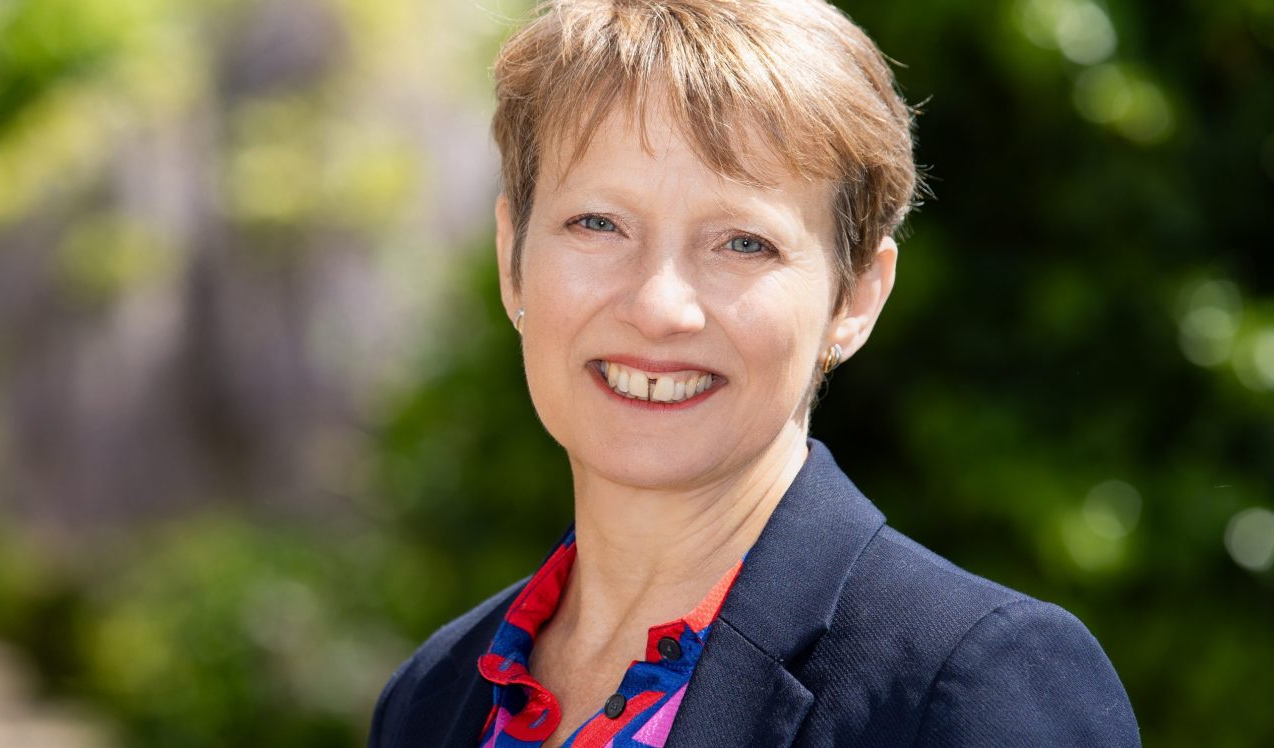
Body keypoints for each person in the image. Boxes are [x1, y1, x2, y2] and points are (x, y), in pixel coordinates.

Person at [370, 0, 1140, 745]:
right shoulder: (431, 697)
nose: (659, 306)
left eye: (742, 243)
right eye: (598, 224)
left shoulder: (974, 686)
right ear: (513, 258)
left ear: (857, 296)